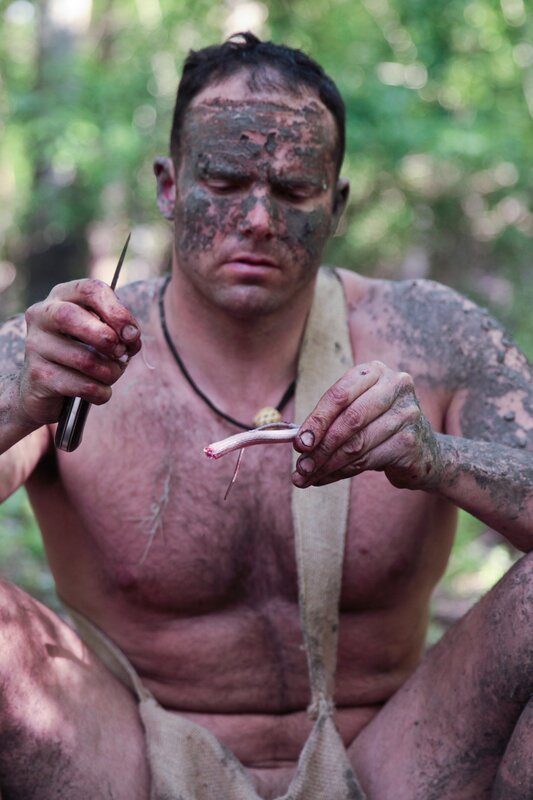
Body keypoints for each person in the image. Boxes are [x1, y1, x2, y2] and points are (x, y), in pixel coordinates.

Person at [0, 31, 531, 800]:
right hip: (125, 764)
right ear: (168, 185)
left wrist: (436, 459)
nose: (256, 220)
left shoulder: (431, 336)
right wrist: (19, 401)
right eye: (222, 183)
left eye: (292, 193)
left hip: (392, 764)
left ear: (337, 202)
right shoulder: (67, 347)